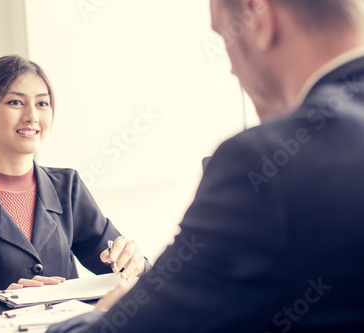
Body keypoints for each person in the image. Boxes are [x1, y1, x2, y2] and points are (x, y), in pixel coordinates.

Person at [47, 0, 364, 332]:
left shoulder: (262, 165)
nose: (232, 69)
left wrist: (100, 315)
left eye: (224, 36)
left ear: (259, 17)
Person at [0, 55, 151, 306]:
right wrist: (0, 301)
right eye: (16, 102)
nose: (32, 116)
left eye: (42, 104)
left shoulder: (68, 187)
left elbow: (123, 274)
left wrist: (134, 261)